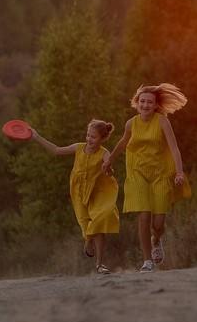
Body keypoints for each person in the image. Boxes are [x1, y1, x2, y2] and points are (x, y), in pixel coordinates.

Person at [103, 83, 187, 273]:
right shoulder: (131, 123)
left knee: (158, 223)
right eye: (142, 101)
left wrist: (179, 172)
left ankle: (156, 239)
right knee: (143, 215)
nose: (145, 105)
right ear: (137, 102)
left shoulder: (162, 122)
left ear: (156, 105)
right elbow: (123, 143)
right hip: (137, 172)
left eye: (149, 102)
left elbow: (174, 148)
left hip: (160, 173)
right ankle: (147, 261)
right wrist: (109, 161)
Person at [30, 119, 120, 274]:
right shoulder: (78, 147)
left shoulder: (104, 153)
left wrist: (108, 168)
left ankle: (99, 264)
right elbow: (56, 150)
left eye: (93, 137)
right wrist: (36, 137)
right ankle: (88, 238)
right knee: (84, 222)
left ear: (102, 138)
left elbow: (110, 170)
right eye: (88, 135)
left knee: (100, 219)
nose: (89, 139)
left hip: (98, 192)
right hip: (78, 191)